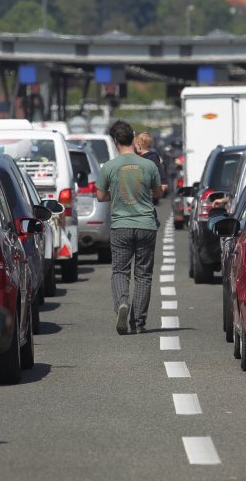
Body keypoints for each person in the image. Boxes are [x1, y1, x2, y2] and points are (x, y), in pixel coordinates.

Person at [96, 121, 162, 335]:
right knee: (143, 275)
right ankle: (139, 322)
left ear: (115, 141)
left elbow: (100, 196)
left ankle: (122, 304)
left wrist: (114, 194)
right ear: (133, 138)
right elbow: (159, 193)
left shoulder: (109, 167)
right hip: (146, 225)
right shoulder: (149, 165)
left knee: (120, 271)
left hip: (121, 225)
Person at [134, 132, 169, 203]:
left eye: (135, 144)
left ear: (139, 145)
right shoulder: (153, 157)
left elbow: (163, 182)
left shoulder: (151, 158)